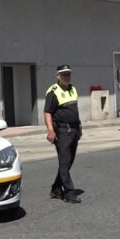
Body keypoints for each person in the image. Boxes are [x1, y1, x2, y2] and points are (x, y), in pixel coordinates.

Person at [44, 64, 82, 203]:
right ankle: (69, 193)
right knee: (64, 162)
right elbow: (47, 112)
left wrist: (79, 127)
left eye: (68, 74)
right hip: (62, 131)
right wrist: (50, 130)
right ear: (58, 76)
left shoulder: (73, 89)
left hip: (74, 130)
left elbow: (75, 111)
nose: (67, 76)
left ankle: (56, 189)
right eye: (64, 74)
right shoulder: (53, 92)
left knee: (69, 161)